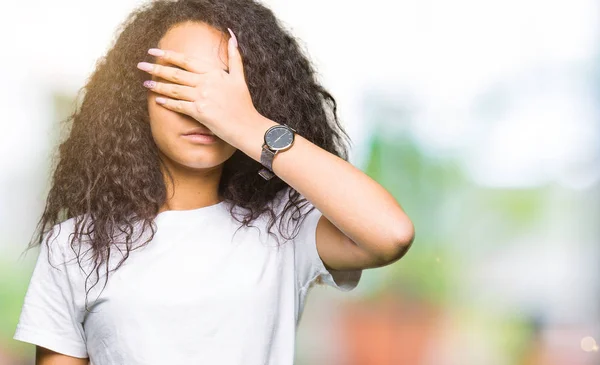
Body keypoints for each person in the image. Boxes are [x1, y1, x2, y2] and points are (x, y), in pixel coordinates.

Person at [12, 0, 415, 364]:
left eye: (219, 88)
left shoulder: (285, 228)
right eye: (179, 83)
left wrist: (246, 124)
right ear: (139, 99)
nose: (200, 108)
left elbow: (390, 234)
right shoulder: (74, 246)